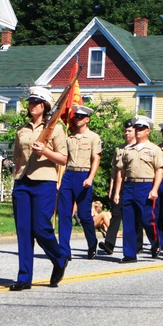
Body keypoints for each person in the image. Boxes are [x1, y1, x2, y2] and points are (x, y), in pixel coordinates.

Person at [10, 86, 70, 291]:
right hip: (22, 182)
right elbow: (17, 157)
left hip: (44, 181)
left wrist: (45, 150)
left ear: (45, 106)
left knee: (41, 227)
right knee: (24, 231)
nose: (32, 105)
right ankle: (24, 277)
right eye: (30, 101)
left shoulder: (55, 128)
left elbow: (63, 158)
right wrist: (16, 178)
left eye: (37, 102)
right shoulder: (22, 129)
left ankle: (59, 257)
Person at [115, 115, 163, 263]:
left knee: (147, 219)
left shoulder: (154, 149)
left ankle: (155, 241)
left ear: (148, 131)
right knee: (129, 221)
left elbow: (159, 170)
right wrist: (118, 191)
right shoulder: (127, 150)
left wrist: (155, 189)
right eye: (136, 128)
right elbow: (121, 172)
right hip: (130, 185)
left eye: (141, 128)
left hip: (146, 185)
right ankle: (129, 254)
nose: (138, 131)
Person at [58, 105, 102, 260]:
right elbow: (63, 159)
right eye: (76, 116)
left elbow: (96, 158)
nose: (78, 119)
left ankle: (92, 243)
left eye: (81, 117)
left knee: (84, 215)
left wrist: (90, 177)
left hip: (84, 174)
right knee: (64, 213)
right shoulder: (68, 137)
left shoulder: (93, 137)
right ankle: (64, 249)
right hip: (69, 174)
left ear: (87, 119)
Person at [98, 120, 138, 256]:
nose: (126, 133)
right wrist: (112, 188)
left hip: (134, 184)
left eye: (129, 131)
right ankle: (109, 243)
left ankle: (137, 243)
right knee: (116, 213)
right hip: (119, 186)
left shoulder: (140, 148)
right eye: (125, 131)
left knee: (134, 215)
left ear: (135, 132)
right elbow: (115, 171)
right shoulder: (119, 149)